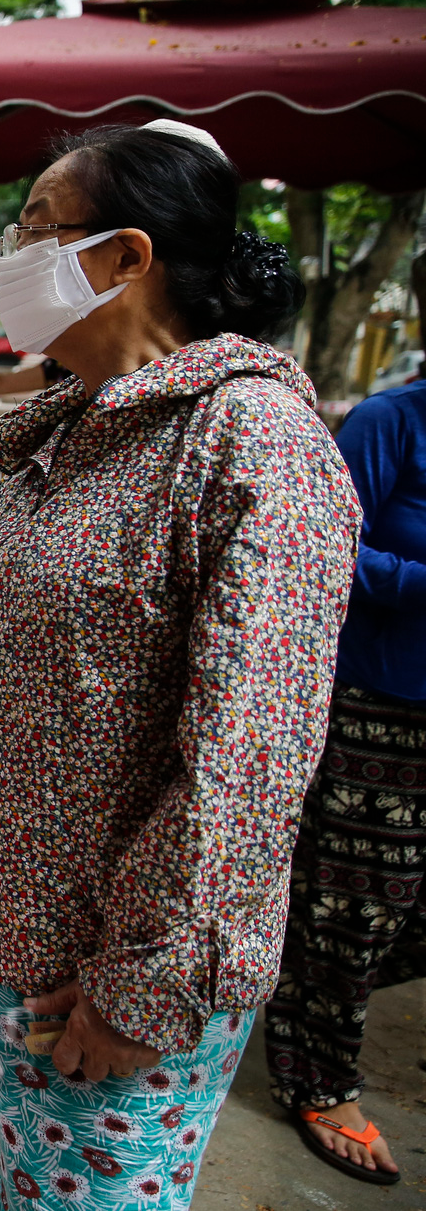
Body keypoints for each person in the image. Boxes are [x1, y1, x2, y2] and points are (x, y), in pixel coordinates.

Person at [0, 119, 360, 1211]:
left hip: (104, 980)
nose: (11, 254)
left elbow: (245, 765)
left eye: (33, 225)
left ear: (124, 257)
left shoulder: (252, 446)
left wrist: (138, 986)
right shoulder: (75, 427)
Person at [263, 371, 426, 1185]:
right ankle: (321, 1078)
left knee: (375, 914)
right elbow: (322, 552)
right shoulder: (391, 422)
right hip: (384, 703)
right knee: (360, 906)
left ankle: (288, 971)